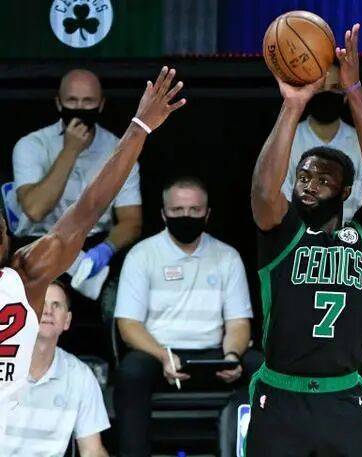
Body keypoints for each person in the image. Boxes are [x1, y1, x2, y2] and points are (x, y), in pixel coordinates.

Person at [247, 23, 362, 457]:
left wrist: (354, 90)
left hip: (341, 398)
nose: (309, 184)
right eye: (303, 176)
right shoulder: (283, 234)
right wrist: (293, 105)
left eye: (323, 179)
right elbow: (263, 191)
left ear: (346, 192)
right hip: (281, 397)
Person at [0, 66, 186, 412]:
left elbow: (89, 209)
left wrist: (139, 128)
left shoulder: (24, 276)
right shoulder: (33, 146)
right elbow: (54, 210)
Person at [113, 176, 260, 457]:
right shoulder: (142, 255)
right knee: (131, 373)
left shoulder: (227, 257)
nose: (186, 216)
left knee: (260, 368)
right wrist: (162, 356)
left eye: (194, 210)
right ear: (163, 214)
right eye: (177, 210)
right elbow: (128, 325)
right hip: (160, 356)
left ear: (207, 214)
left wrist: (232, 356)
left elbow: (239, 323)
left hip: (215, 355)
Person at [12, 69, 143, 281]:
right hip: (38, 243)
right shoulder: (31, 145)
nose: (80, 108)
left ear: (101, 104)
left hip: (93, 244)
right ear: (59, 103)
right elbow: (35, 210)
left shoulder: (119, 150)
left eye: (88, 101)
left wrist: (105, 250)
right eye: (72, 101)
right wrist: (70, 150)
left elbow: (131, 221)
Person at [1, 281, 109, 456]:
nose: (48, 311)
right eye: (40, 303)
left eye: (56, 305)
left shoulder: (80, 376)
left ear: (67, 320)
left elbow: (92, 450)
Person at [281, 63, 362, 222]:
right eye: (320, 88)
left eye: (334, 88)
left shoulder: (361, 141)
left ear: (345, 95)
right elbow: (282, 200)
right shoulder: (287, 139)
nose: (327, 94)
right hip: (299, 233)